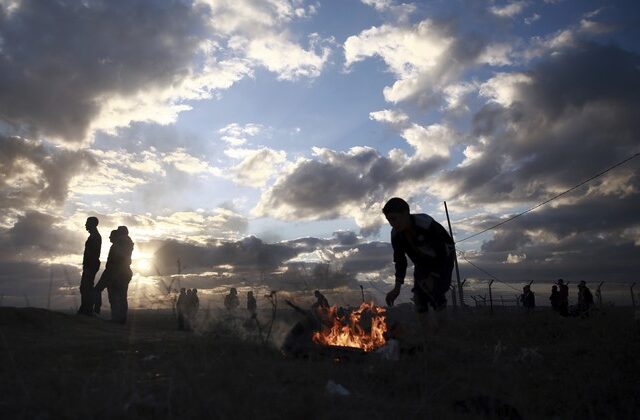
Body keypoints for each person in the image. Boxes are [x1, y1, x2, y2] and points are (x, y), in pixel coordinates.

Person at [383, 197, 455, 334]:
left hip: (444, 256)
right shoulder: (396, 235)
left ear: (405, 214)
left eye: (394, 219)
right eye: (389, 220)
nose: (392, 224)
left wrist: (433, 276)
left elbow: (442, 252)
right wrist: (396, 288)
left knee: (435, 290)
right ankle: (428, 335)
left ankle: (445, 332)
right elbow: (400, 261)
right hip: (422, 262)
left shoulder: (426, 224)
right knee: (419, 296)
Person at [78, 217, 101, 316]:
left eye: (87, 223)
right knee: (85, 287)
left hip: (91, 265)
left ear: (93, 224)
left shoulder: (95, 236)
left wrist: (88, 267)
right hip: (90, 265)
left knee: (86, 287)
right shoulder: (93, 236)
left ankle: (87, 310)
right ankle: (86, 309)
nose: (85, 225)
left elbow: (92, 254)